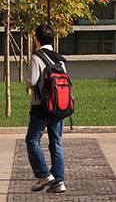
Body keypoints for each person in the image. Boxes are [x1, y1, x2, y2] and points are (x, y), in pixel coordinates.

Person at [25, 24, 67, 194]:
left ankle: (44, 174)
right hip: (60, 106)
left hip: (41, 106)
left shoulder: (36, 58)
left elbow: (32, 82)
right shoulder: (59, 58)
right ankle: (59, 181)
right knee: (56, 142)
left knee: (32, 140)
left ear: (36, 40)